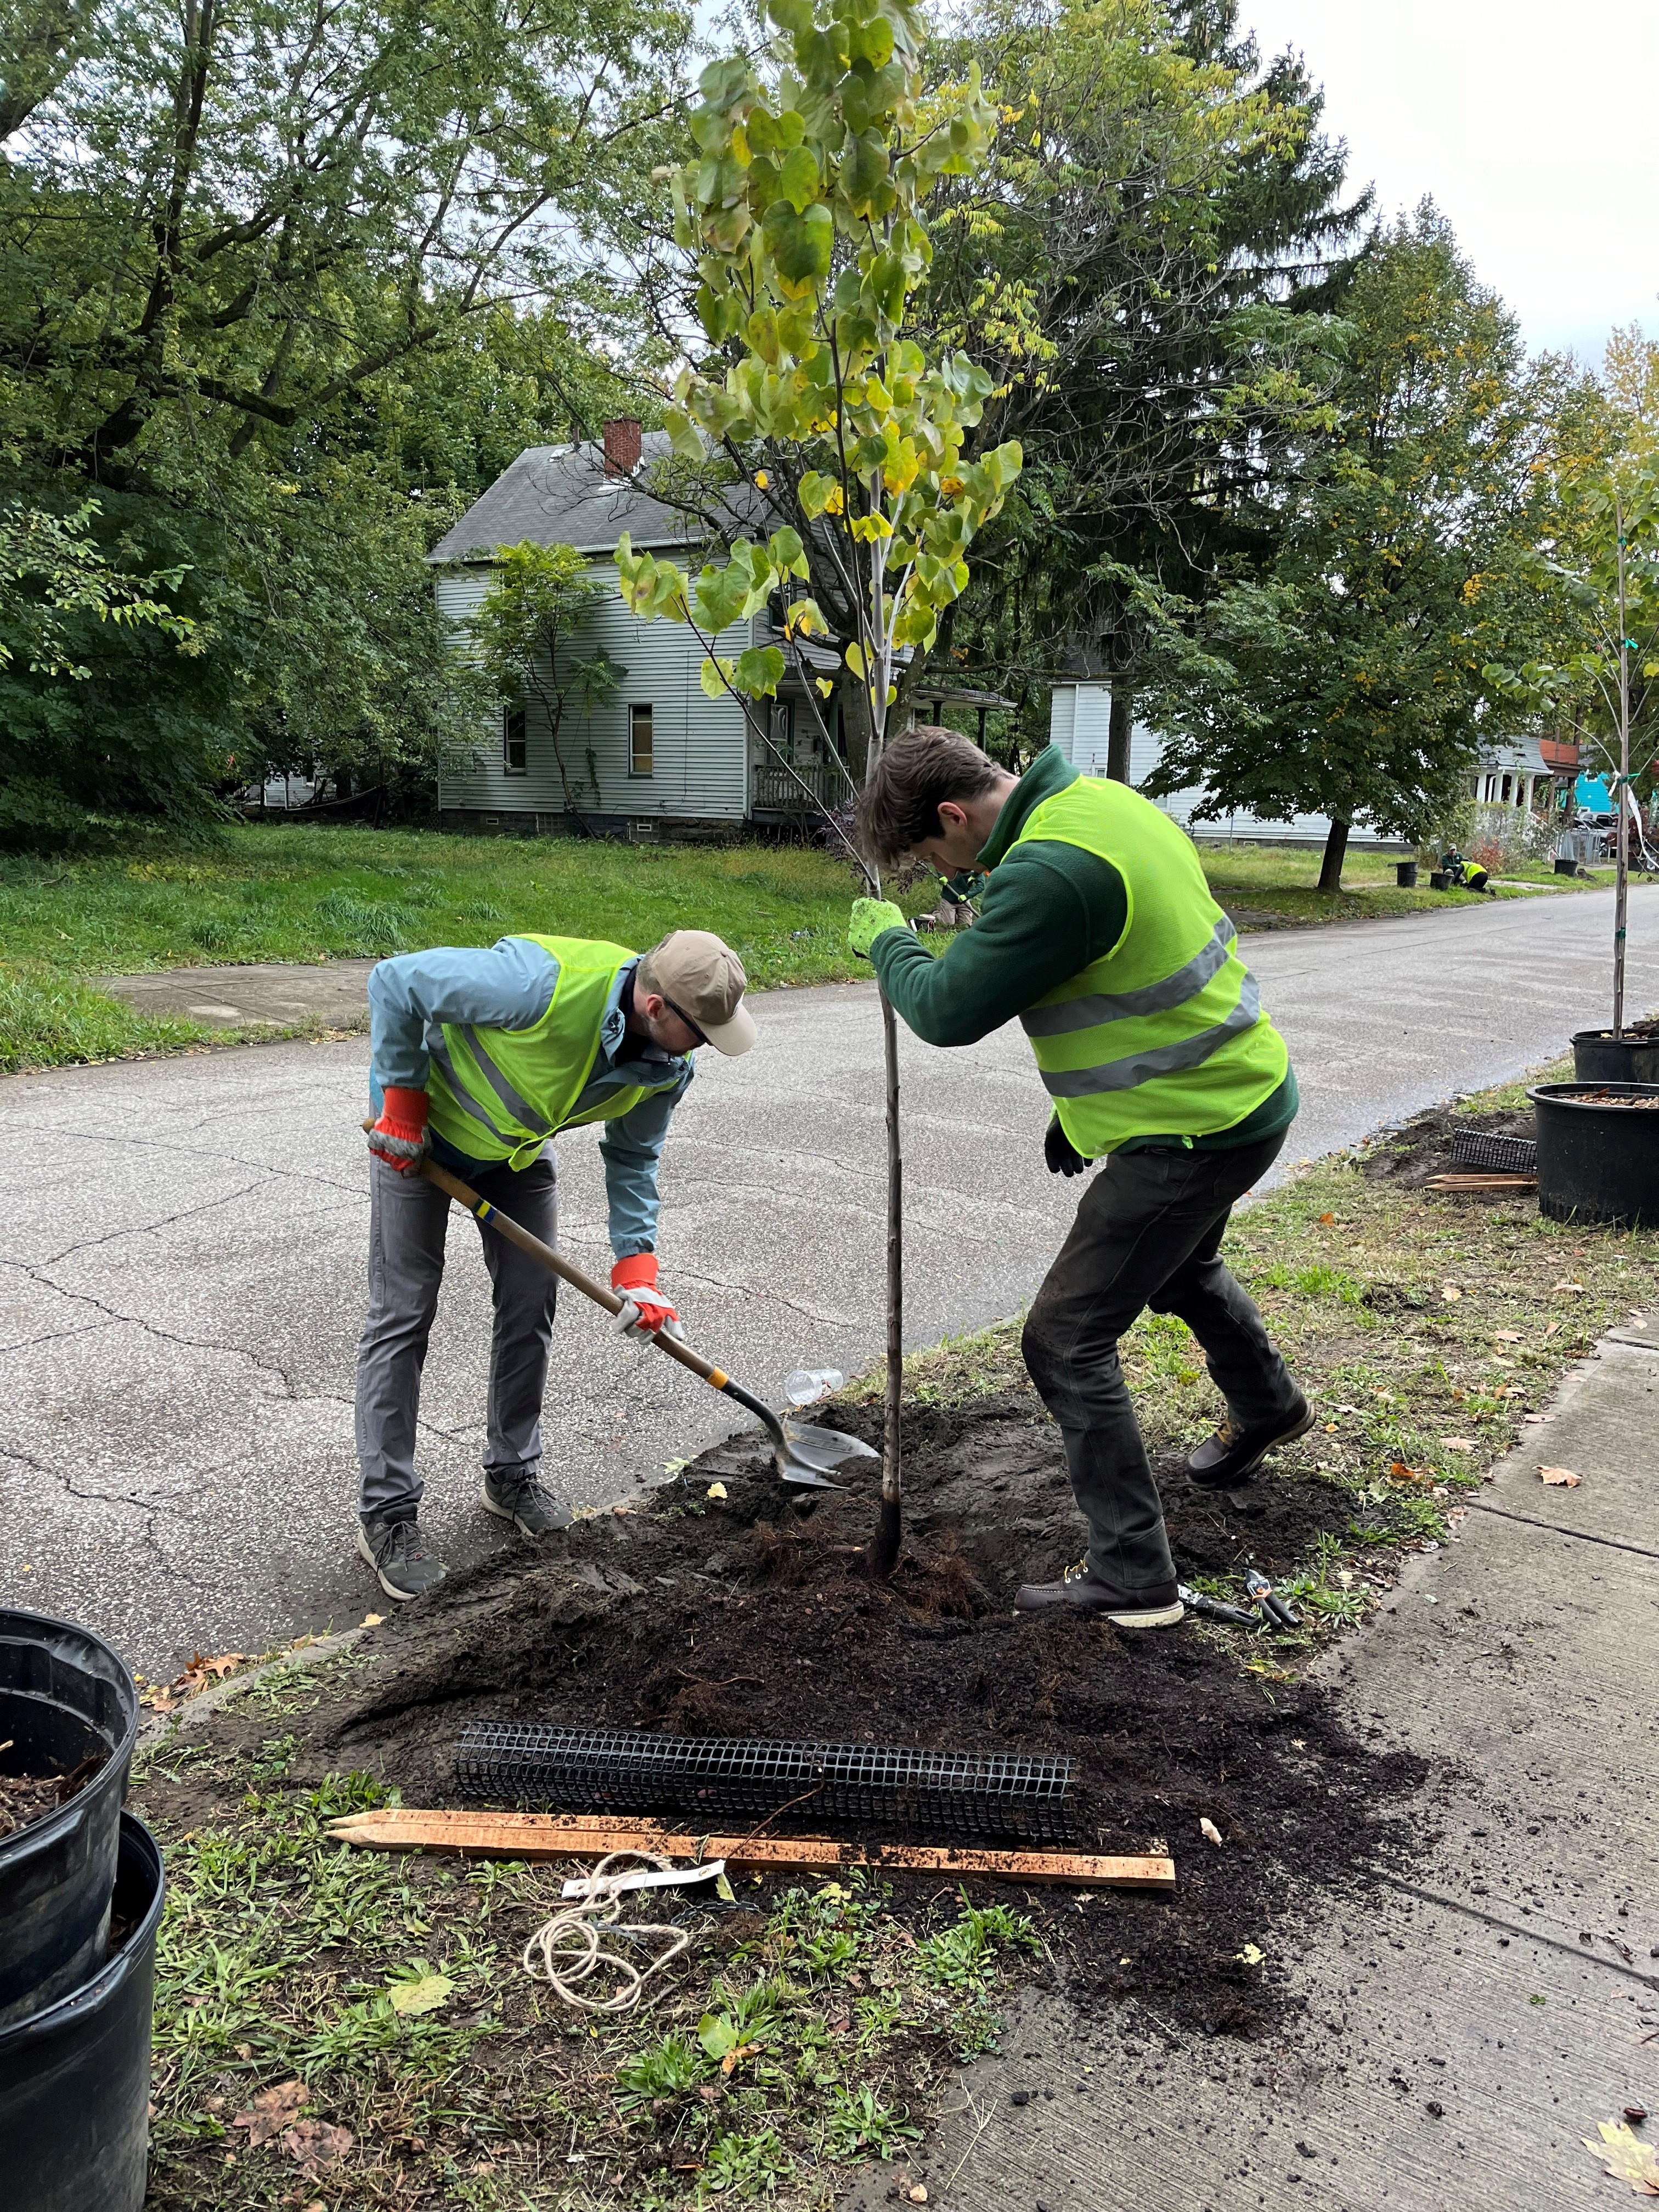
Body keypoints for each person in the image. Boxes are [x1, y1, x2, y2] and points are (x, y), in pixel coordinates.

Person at [848, 727, 1310, 1630]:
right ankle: (1266, 1405)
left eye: (935, 856)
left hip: (1190, 1131)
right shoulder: (1100, 805)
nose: (943, 876)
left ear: (953, 814)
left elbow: (945, 1009)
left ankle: (1132, 1576)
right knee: (1177, 1267)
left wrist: (886, 944)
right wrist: (1084, 1109)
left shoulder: (1049, 870)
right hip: (1237, 1093)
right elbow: (1132, 960)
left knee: (1063, 1341)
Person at [355, 928, 757, 1601]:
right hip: (418, 1139)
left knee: (530, 1304)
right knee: (404, 1313)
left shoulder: (668, 1066)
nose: (711, 1046)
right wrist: (401, 1103)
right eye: (704, 1031)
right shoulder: (540, 984)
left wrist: (638, 1270)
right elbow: (395, 981)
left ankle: (511, 1476)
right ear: (656, 1008)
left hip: (514, 1156)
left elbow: (633, 1158)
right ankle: (387, 1514)